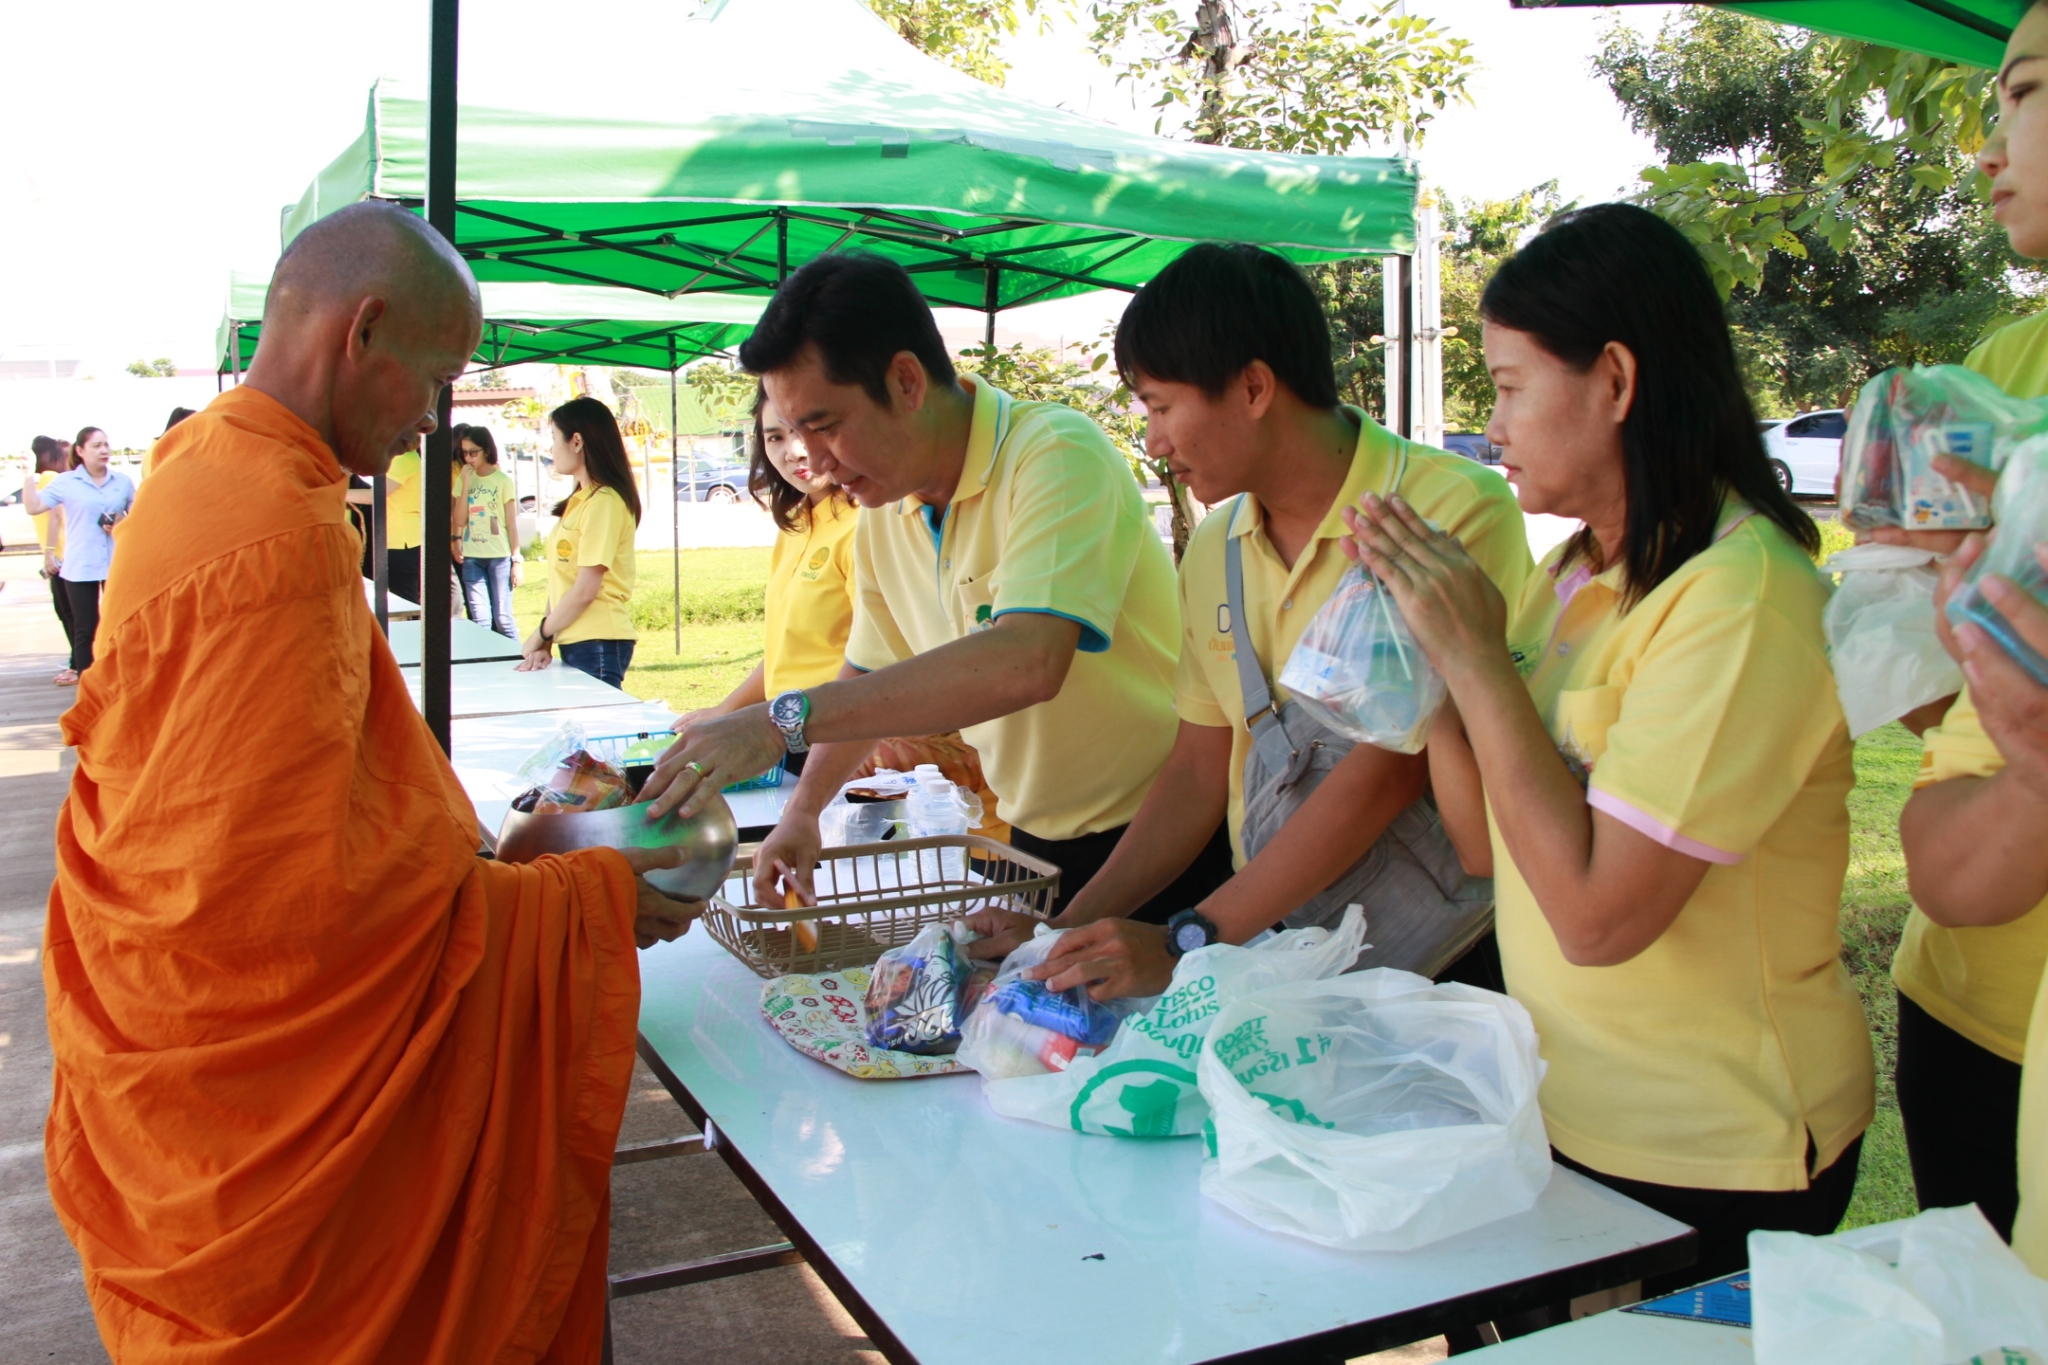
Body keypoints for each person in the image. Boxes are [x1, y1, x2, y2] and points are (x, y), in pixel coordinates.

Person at [42, 201, 699, 1361]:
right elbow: (296, 922)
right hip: (256, 1088)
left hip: (167, 1037)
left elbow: (278, 804)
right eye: (436, 378)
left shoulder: (203, 463)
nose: (433, 420)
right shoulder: (280, 534)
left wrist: (471, 843)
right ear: (362, 329)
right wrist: (577, 901)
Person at [1345, 203, 1872, 1297]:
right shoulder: (1577, 575)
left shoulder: (1740, 600)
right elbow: (1485, 849)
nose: (1491, 425)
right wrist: (1435, 665)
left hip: (1712, 1152)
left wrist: (1479, 659)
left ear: (1617, 381)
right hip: (1566, 1113)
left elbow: (1596, 921)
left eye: (1507, 386)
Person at [978, 244, 1531, 993]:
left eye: (1161, 406)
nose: (1154, 441)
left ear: (1253, 387)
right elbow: (1197, 768)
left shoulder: (1443, 512)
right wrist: (1063, 931)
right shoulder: (1217, 545)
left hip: (1434, 960)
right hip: (1285, 946)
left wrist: (1190, 938)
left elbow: (1389, 769)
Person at [642, 253, 1213, 922]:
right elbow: (867, 672)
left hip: (1162, 831)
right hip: (1034, 836)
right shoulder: (886, 509)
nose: (814, 461)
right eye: (793, 433)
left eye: (825, 426)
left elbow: (1028, 659)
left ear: (907, 381)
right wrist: (802, 813)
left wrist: (779, 721)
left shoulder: (1056, 454)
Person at [1874, 15, 2048, 1241]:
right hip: (1966, 1005)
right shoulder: (2001, 368)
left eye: (2022, 96)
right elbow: (1943, 709)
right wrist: (1908, 600)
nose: (1986, 151)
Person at [673, 389, 857, 774]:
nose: (795, 451)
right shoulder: (797, 523)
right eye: (775, 437)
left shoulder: (863, 527)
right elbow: (785, 652)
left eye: (807, 431)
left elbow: (877, 660)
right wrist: (726, 710)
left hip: (845, 743)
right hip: (788, 732)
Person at [518, 397, 640, 688]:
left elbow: (585, 590)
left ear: (576, 441)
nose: (551, 449)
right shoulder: (581, 499)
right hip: (576, 637)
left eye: (553, 438)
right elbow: (563, 581)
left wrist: (541, 633)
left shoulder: (604, 502)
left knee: (597, 717)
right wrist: (547, 636)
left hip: (598, 639)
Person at [23, 425, 135, 681]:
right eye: (96, 446)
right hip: (80, 565)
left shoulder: (122, 483)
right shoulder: (66, 482)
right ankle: (88, 685)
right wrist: (28, 474)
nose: (104, 450)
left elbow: (140, 516)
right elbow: (34, 506)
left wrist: (122, 521)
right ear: (80, 451)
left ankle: (122, 681)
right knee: (85, 628)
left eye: (106, 444)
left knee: (120, 625)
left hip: (116, 564)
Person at [457, 423, 521, 638]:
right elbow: (459, 520)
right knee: (480, 620)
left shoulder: (502, 481)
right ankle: (484, 658)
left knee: (503, 619)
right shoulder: (464, 478)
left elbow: (511, 524)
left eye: (473, 452)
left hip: (500, 557)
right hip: (472, 557)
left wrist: (516, 561)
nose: (468, 458)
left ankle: (518, 655)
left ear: (486, 450)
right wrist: (466, 483)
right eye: (464, 453)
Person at [29, 435, 77, 683]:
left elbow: (56, 516)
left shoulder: (49, 477)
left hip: (61, 555)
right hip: (61, 554)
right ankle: (77, 663)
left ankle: (77, 666)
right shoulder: (46, 478)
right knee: (66, 611)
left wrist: (49, 552)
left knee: (69, 612)